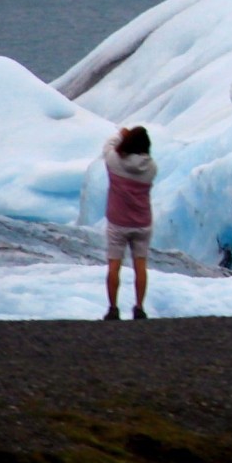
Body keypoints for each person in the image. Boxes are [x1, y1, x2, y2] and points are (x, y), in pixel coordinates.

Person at [102, 126, 157, 321]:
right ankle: (139, 308)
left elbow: (107, 147)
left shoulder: (114, 162)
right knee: (140, 266)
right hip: (142, 223)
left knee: (114, 266)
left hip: (118, 223)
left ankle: (113, 309)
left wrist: (120, 136)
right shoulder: (151, 167)